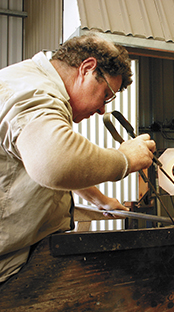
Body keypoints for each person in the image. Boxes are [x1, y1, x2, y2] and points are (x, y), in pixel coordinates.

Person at [0, 32, 156, 283]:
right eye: (106, 95)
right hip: (7, 265)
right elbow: (54, 163)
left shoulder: (32, 80)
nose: (103, 108)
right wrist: (124, 159)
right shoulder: (34, 93)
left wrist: (101, 200)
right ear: (87, 68)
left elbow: (48, 162)